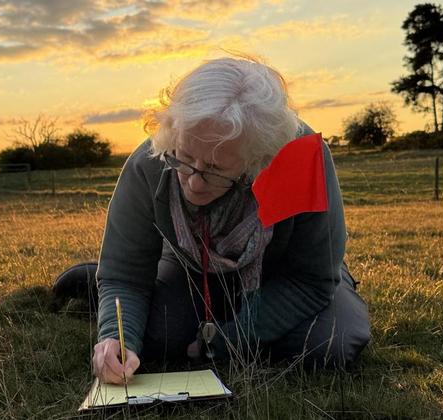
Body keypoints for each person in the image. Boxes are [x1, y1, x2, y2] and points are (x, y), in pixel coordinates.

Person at [53, 56, 370, 385]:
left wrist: (230, 340)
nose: (193, 183)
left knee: (326, 347)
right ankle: (100, 281)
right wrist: (118, 338)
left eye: (215, 170)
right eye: (184, 158)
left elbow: (311, 280)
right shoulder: (149, 162)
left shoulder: (302, 161)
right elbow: (126, 275)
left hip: (287, 276)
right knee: (161, 338)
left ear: (259, 160)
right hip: (192, 267)